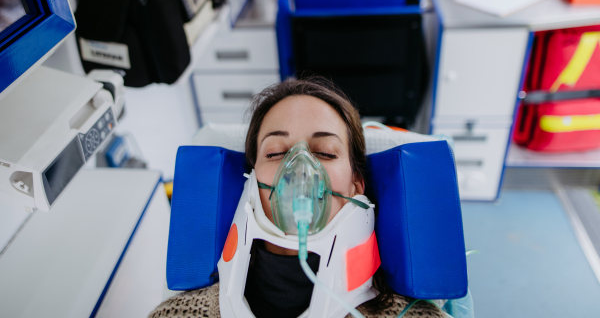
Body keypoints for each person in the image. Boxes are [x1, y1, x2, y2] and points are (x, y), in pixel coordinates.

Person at [149, 77, 445, 318]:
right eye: (276, 152)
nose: (300, 169)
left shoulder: (411, 315)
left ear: (356, 184)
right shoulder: (181, 313)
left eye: (325, 153)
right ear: (251, 182)